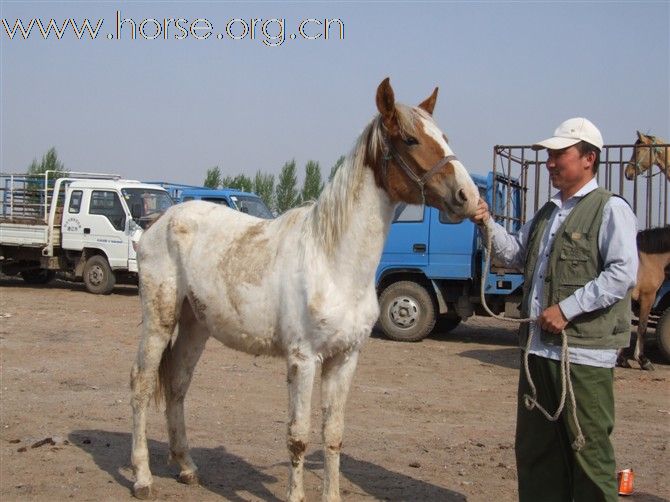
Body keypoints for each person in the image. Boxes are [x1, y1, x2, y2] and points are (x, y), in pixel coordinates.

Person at [470, 118, 638, 502]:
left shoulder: (610, 209)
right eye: (549, 155)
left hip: (582, 357)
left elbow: (623, 273)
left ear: (588, 159)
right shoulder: (547, 213)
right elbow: (512, 255)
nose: (549, 162)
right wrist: (485, 222)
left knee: (588, 452)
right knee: (537, 455)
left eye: (559, 154)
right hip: (536, 353)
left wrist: (566, 309)